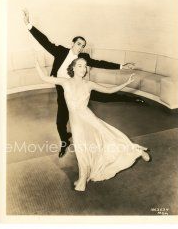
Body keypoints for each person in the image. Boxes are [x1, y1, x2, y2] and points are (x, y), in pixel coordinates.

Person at [22, 9, 136, 158]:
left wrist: (121, 66)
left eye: (83, 46)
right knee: (61, 120)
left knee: (106, 96)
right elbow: (44, 41)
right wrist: (28, 25)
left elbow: (100, 63)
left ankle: (131, 99)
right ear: (72, 43)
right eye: (79, 44)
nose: (81, 47)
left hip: (80, 86)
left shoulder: (83, 57)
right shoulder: (60, 51)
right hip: (64, 87)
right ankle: (65, 141)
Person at [35, 57, 150, 192]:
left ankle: (136, 150)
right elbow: (44, 77)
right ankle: (83, 178)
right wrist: (36, 62)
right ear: (72, 67)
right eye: (80, 66)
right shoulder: (65, 82)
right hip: (76, 121)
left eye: (85, 66)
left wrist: (126, 83)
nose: (83, 69)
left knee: (109, 135)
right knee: (82, 149)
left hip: (88, 117)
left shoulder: (89, 84)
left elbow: (109, 91)